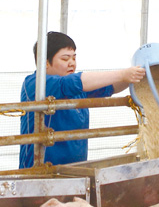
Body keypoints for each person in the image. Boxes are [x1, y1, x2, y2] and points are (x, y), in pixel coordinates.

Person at [19, 31, 146, 168]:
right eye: (65, 59)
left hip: (75, 169)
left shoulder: (78, 89)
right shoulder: (36, 84)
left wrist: (135, 76)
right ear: (45, 63)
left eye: (74, 58)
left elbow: (110, 87)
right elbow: (72, 83)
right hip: (40, 170)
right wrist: (123, 73)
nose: (71, 63)